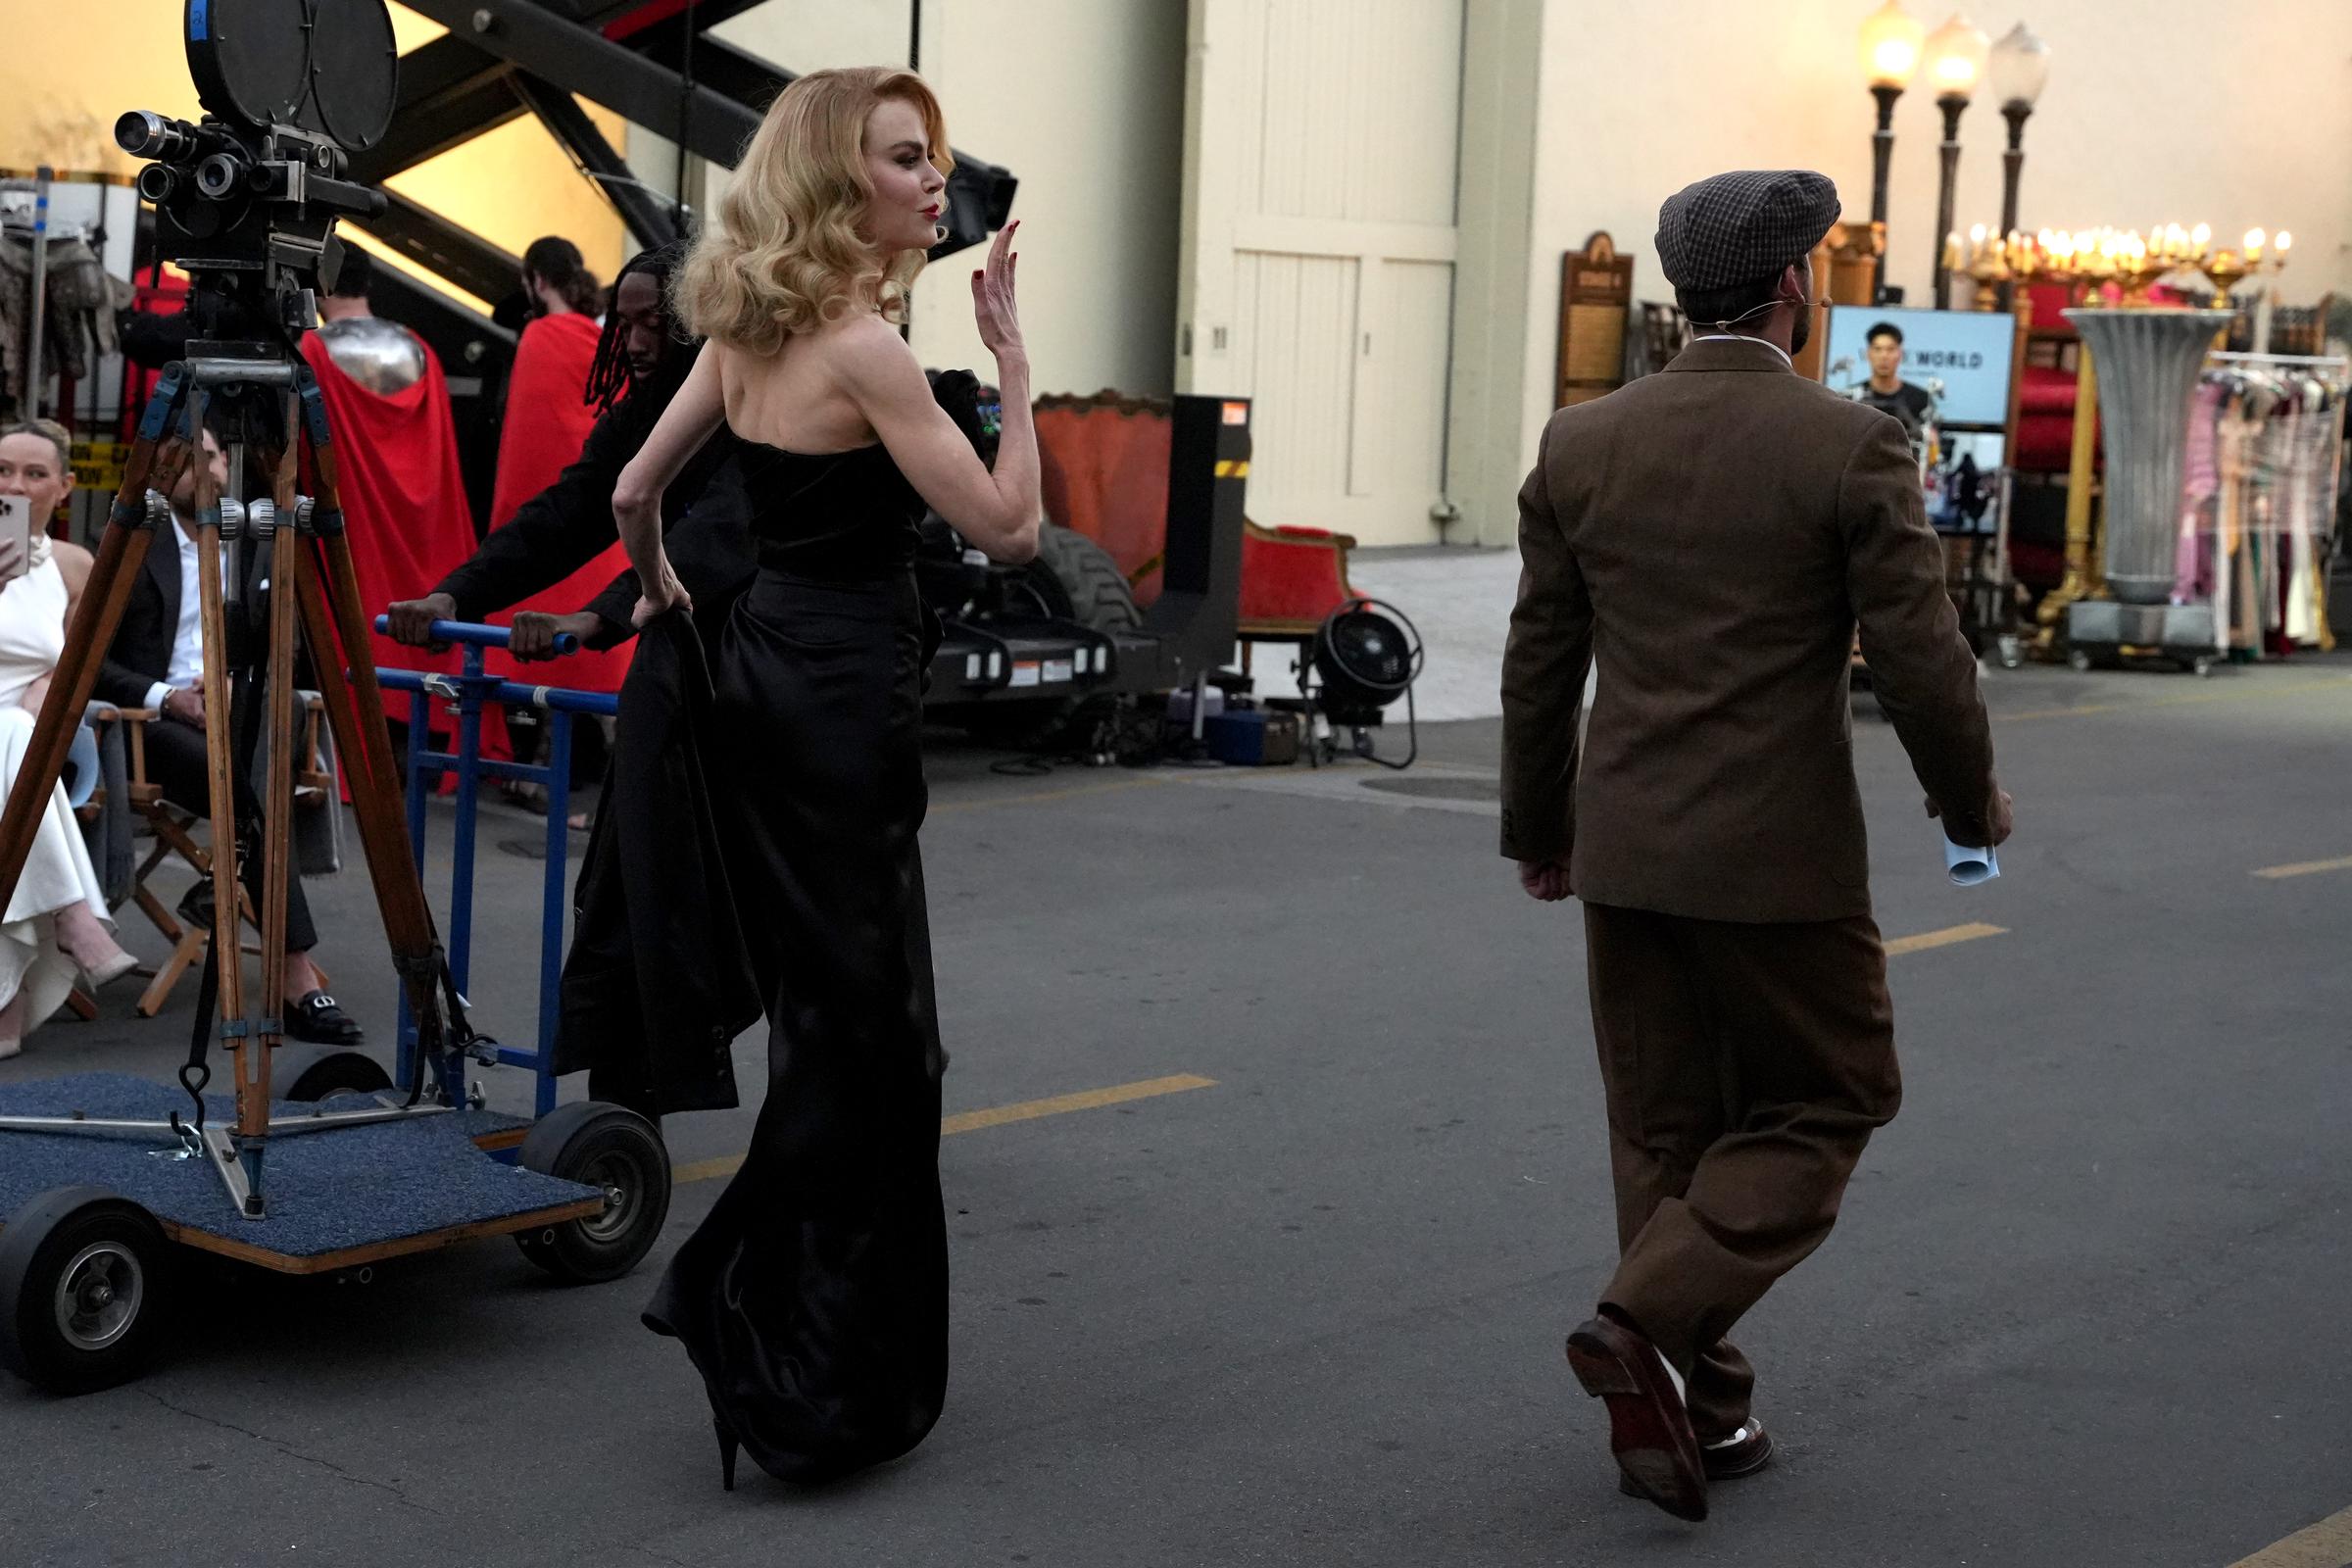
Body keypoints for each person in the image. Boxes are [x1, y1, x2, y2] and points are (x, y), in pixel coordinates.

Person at [1500, 170, 2009, 1521]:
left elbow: (1541, 661)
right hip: (1779, 861)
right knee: (1834, 1096)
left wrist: (1539, 829)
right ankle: (1642, 1316)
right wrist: (1969, 812)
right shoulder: (1847, 445)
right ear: (1793, 288)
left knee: (1667, 1129)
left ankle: (1702, 1416)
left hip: (1627, 848)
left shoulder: (1580, 443)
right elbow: (1922, 662)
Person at [613, 66, 1038, 1489]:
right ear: (833, 182)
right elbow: (1012, 531)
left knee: (835, 1015)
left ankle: (802, 1346)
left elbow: (632, 495)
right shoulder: (865, 351)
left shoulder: (743, 327)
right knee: (875, 1039)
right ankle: (765, 1332)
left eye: (936, 158)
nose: (936, 183)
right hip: (846, 693)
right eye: (907, 160)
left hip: (758, 676)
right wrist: (1018, 370)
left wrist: (666, 594)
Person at [92, 424, 363, 1048]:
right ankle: (297, 976)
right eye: (187, 461)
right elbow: (91, 665)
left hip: (246, 717)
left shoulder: (251, 545)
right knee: (255, 794)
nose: (205, 471)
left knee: (271, 730)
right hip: (156, 726)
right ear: (158, 474)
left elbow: (292, 650)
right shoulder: (131, 545)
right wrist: (172, 698)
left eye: (211, 457)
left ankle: (223, 885)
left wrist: (244, 684)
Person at [0, 420, 136, 1055]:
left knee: (18, 731)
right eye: (2, 471)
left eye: (33, 474)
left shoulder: (75, 564)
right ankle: (73, 917)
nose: (15, 485)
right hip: (18, 737)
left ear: (65, 486)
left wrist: (51, 685)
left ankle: (7, 1005)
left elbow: (80, 668)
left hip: (32, 728)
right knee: (14, 735)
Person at [295, 247, 477, 687]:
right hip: (428, 538)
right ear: (368, 285)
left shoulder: (312, 351)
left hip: (356, 532)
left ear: (321, 286)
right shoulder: (421, 351)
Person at [478, 237, 622, 771]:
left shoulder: (540, 337)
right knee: (598, 645)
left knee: (532, 632)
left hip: (548, 522)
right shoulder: (605, 338)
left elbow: (528, 448)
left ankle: (540, 771)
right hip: (605, 527)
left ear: (536, 281)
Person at [1857, 320, 1936, 438]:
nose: (1884, 356)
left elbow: (1931, 444)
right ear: (1868, 354)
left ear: (1900, 354)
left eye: (1890, 349)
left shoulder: (1921, 399)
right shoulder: (1854, 397)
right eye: (1877, 349)